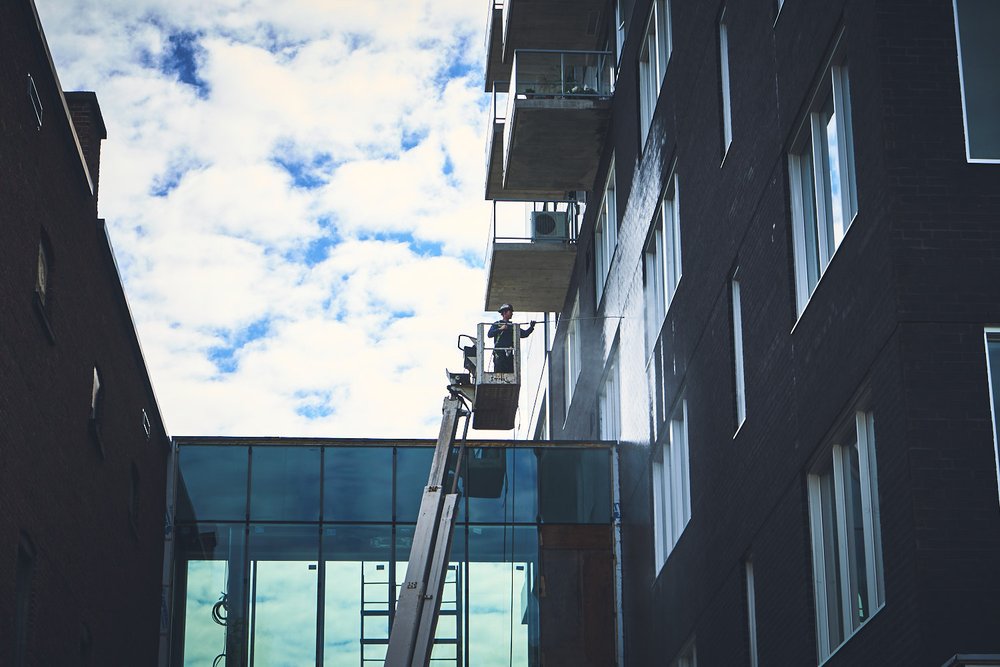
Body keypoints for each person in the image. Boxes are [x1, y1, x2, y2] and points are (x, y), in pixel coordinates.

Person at [487, 304, 535, 373]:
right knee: (499, 374)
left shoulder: (512, 327)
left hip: (508, 356)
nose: (512, 313)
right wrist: (500, 329)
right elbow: (490, 334)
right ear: (504, 312)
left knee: (509, 373)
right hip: (499, 355)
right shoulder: (497, 324)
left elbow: (524, 334)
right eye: (510, 311)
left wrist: (531, 327)